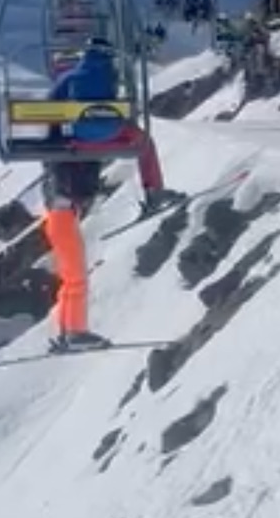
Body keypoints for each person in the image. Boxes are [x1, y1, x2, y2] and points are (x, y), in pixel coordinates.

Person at [42, 37, 184, 352]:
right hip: (90, 147)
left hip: (73, 145)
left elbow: (54, 110)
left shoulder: (70, 77)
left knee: (70, 277)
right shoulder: (105, 73)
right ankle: (154, 190)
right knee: (76, 276)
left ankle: (68, 331)